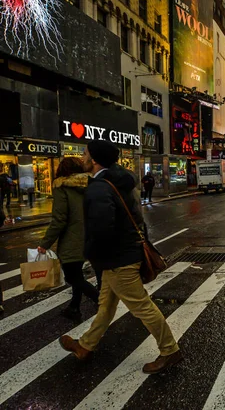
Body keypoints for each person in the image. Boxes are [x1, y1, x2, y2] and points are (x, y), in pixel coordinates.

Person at [59, 140, 182, 374]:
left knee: (142, 306)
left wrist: (91, 254)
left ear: (94, 160)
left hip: (117, 259)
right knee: (105, 306)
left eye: (85, 154)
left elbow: (101, 229)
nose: (82, 157)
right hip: (122, 254)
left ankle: (170, 350)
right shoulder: (120, 181)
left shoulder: (99, 187)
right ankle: (85, 346)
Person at [37, 158, 99, 320]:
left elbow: (59, 219)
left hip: (72, 239)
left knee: (73, 277)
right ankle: (74, 307)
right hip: (90, 237)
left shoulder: (61, 186)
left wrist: (45, 243)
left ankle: (100, 301)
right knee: (77, 273)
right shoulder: (91, 184)